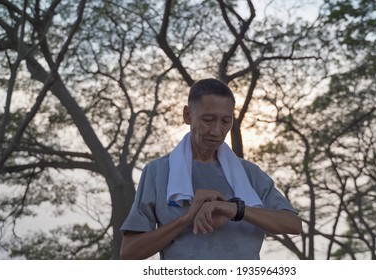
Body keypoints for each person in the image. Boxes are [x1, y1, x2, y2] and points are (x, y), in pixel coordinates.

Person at [120, 78, 302, 260]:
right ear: (187, 115)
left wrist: (237, 210)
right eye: (208, 120)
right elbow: (129, 252)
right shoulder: (158, 172)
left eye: (225, 121)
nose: (216, 130)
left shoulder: (249, 173)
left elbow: (293, 224)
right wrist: (186, 219)